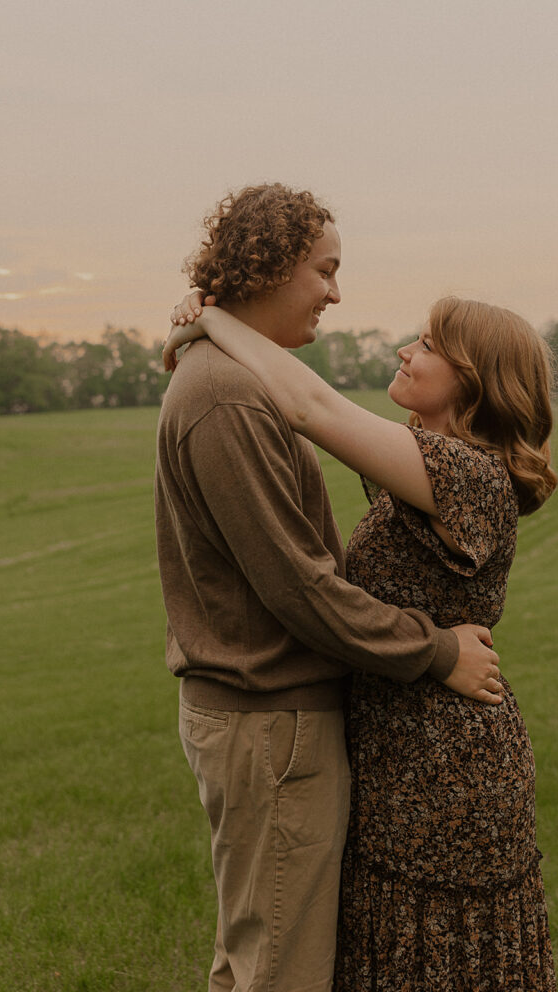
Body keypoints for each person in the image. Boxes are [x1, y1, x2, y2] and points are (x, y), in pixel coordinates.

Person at [155, 183, 504, 992]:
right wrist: (434, 651)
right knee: (280, 970)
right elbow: (302, 590)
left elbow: (316, 412)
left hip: (271, 718)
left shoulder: (232, 382)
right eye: (326, 270)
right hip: (271, 722)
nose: (338, 294)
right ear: (271, 267)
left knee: (255, 955)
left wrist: (205, 320)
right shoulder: (228, 397)